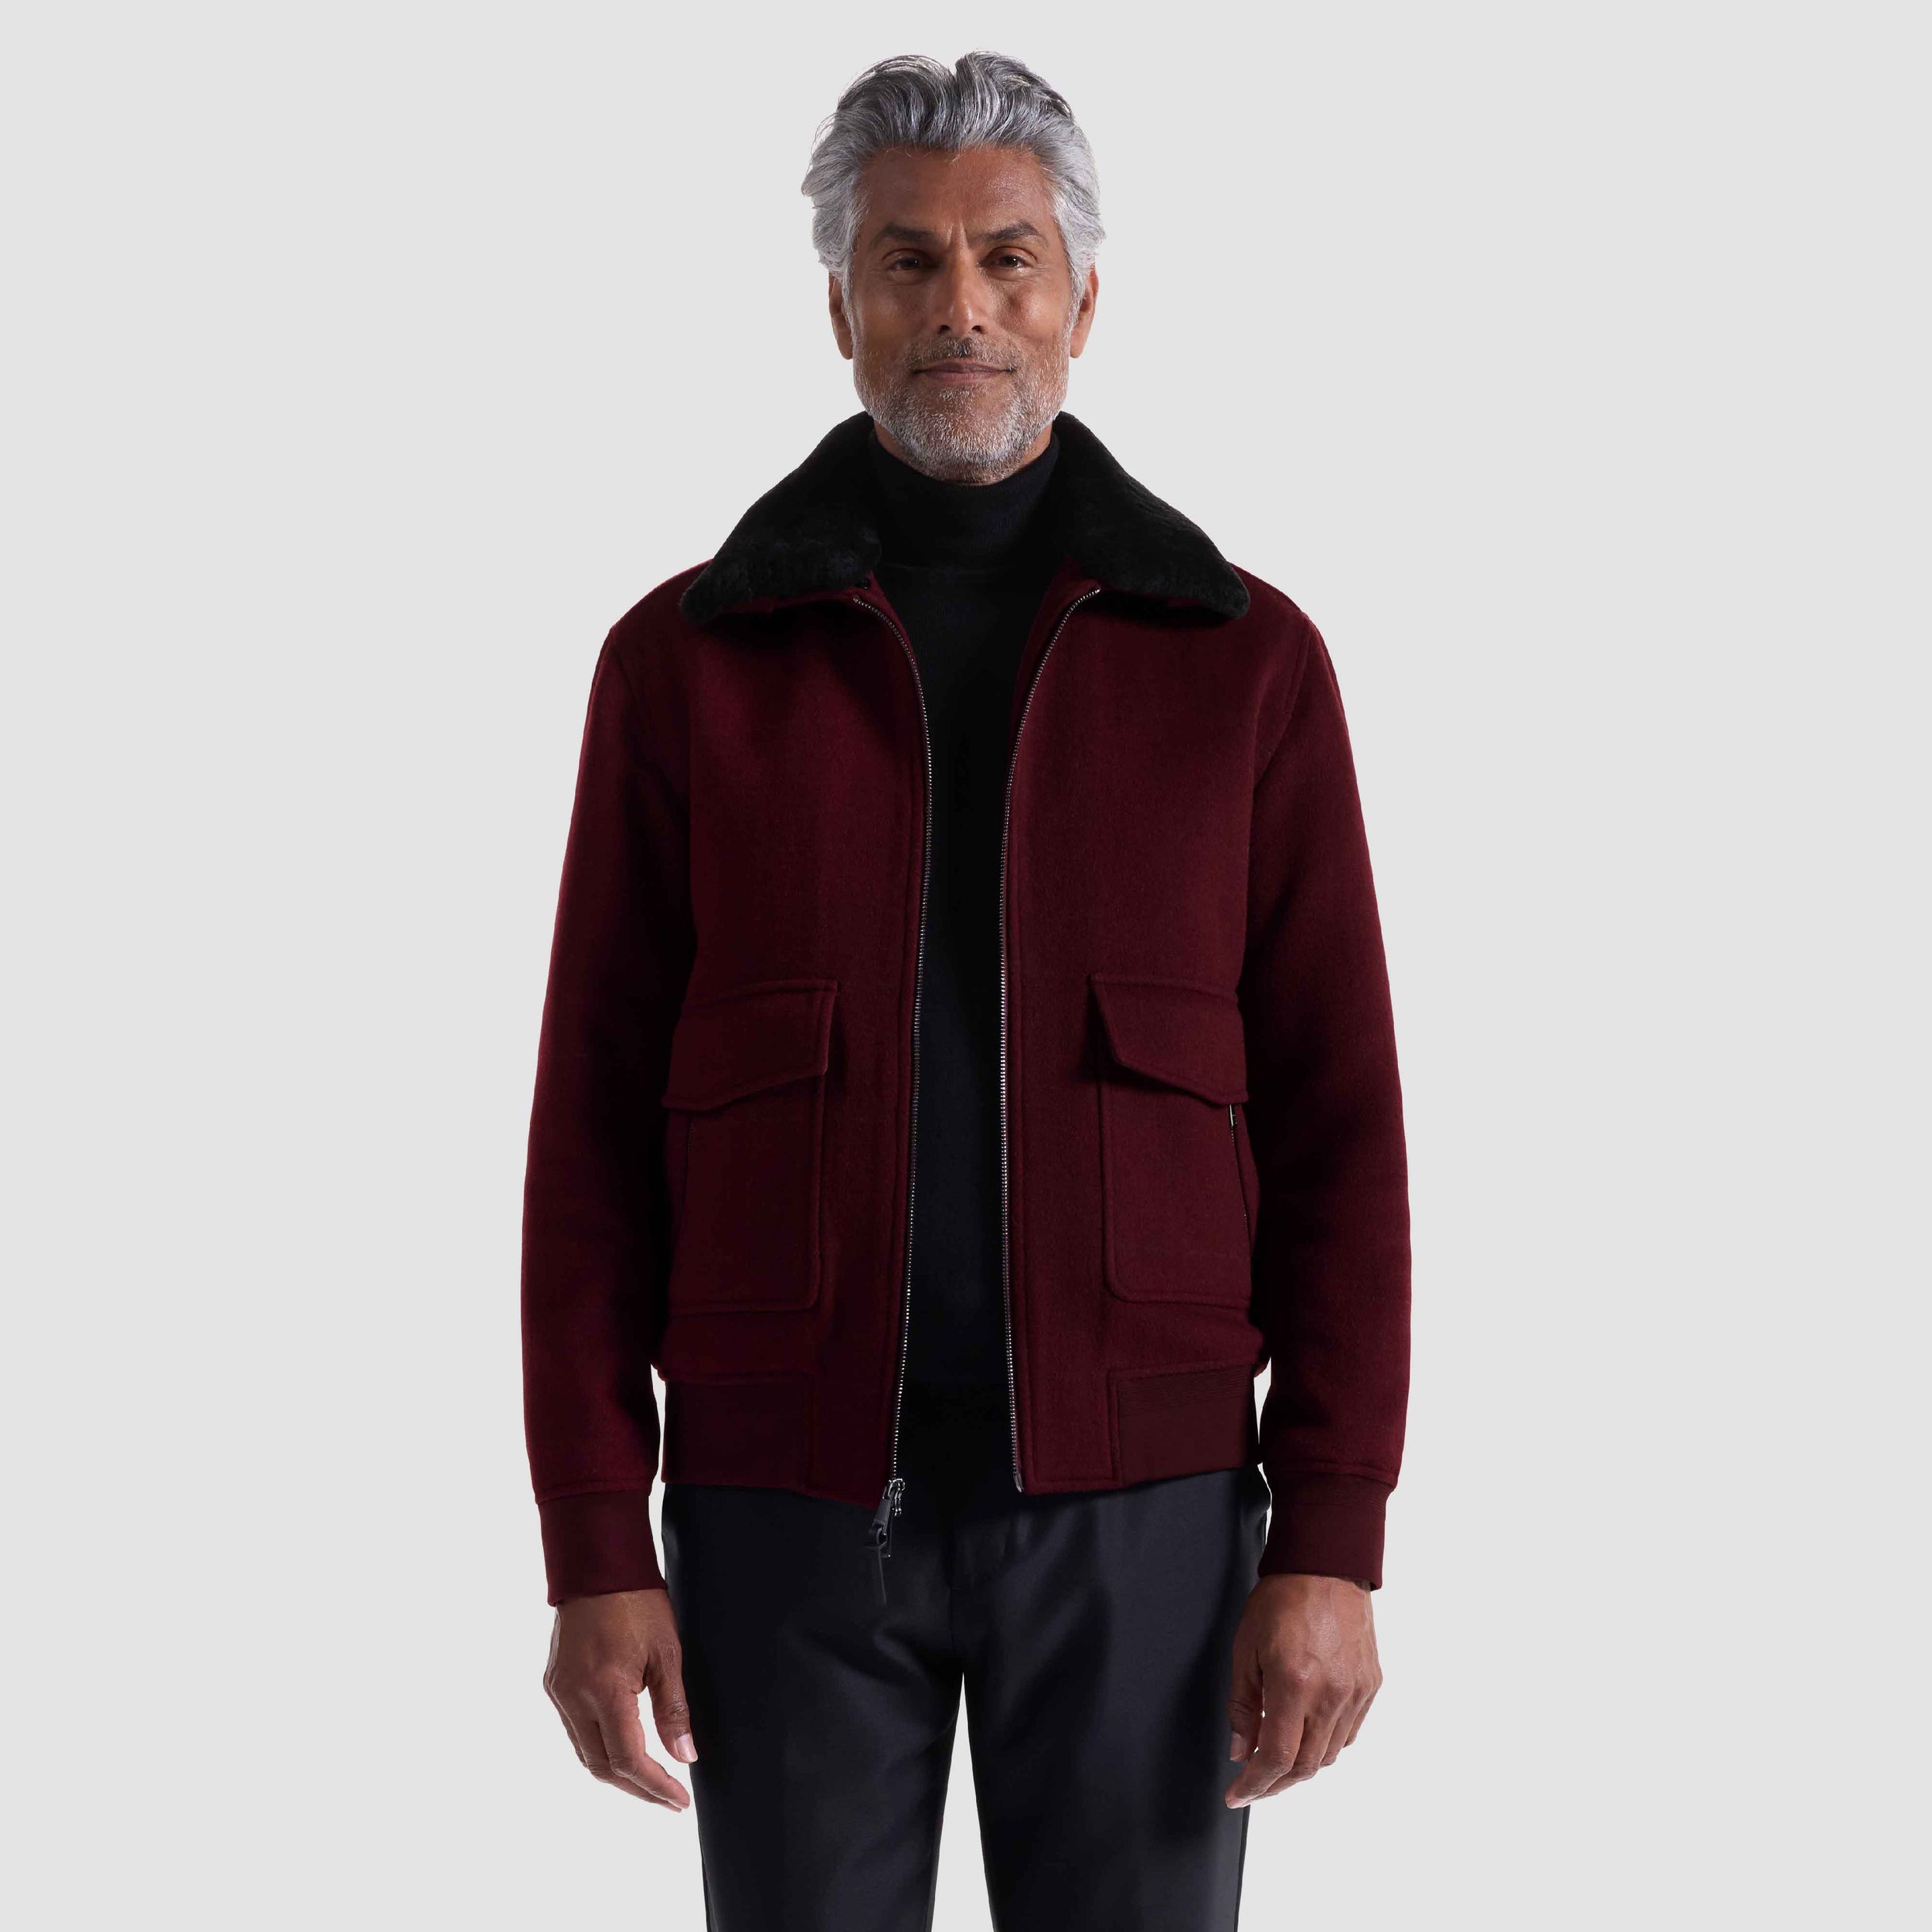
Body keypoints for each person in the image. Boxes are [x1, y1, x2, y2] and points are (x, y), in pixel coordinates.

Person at [522, 49, 1410, 1931]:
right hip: (780, 1513)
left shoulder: (1243, 663)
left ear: (1082, 300)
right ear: (838, 306)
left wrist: (1330, 1529)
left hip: (1145, 1515)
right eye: (906, 260)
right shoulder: (682, 667)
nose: (961, 306)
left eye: (1007, 258)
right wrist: (596, 1534)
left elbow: (1341, 1125)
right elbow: (588, 1135)